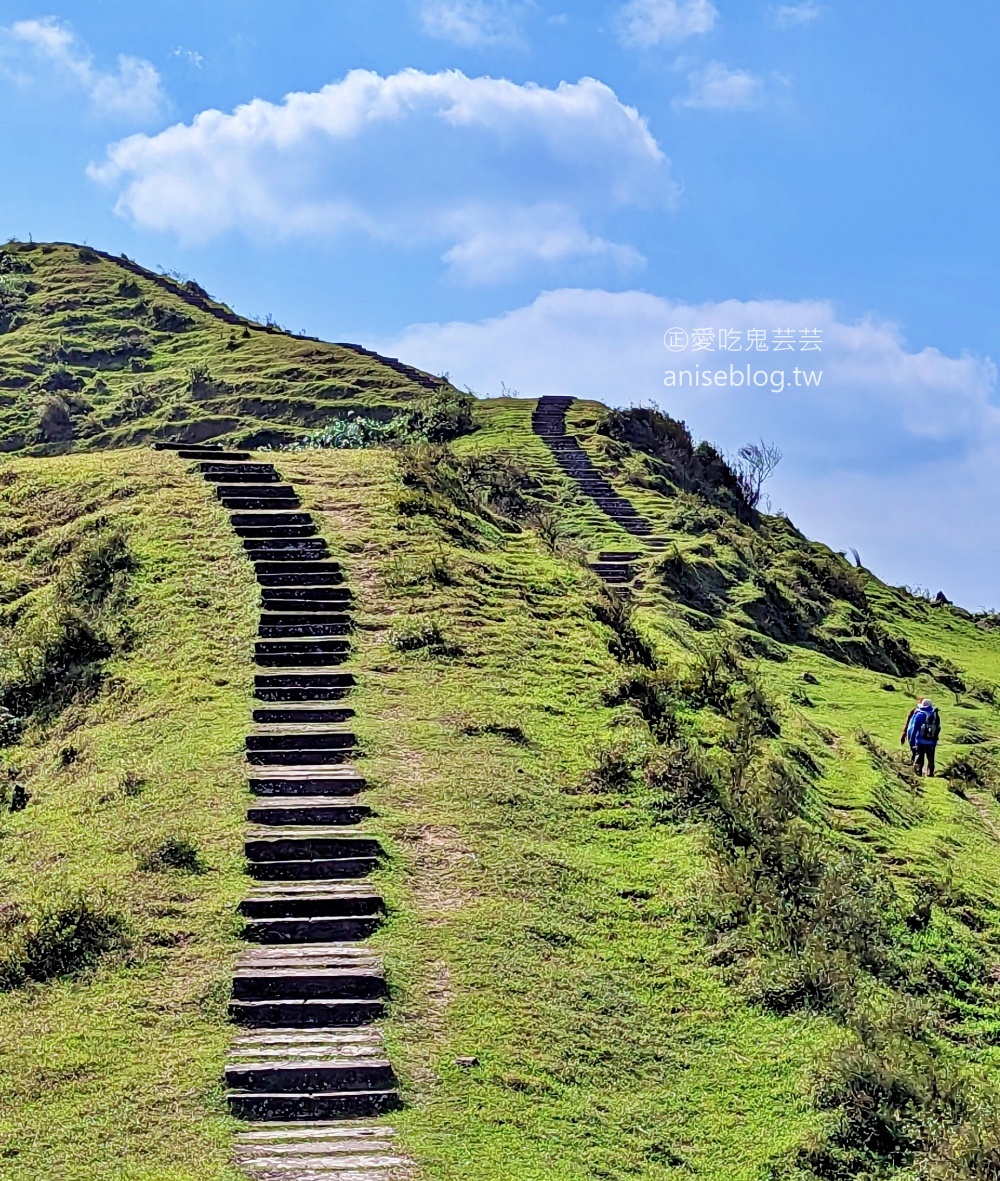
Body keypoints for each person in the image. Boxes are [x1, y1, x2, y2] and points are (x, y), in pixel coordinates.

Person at [900, 697, 941, 776]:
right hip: (932, 741)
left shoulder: (919, 714)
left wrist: (912, 741)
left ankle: (918, 772)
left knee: (919, 757)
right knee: (931, 758)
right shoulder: (935, 715)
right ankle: (930, 773)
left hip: (920, 740)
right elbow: (938, 728)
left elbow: (914, 729)